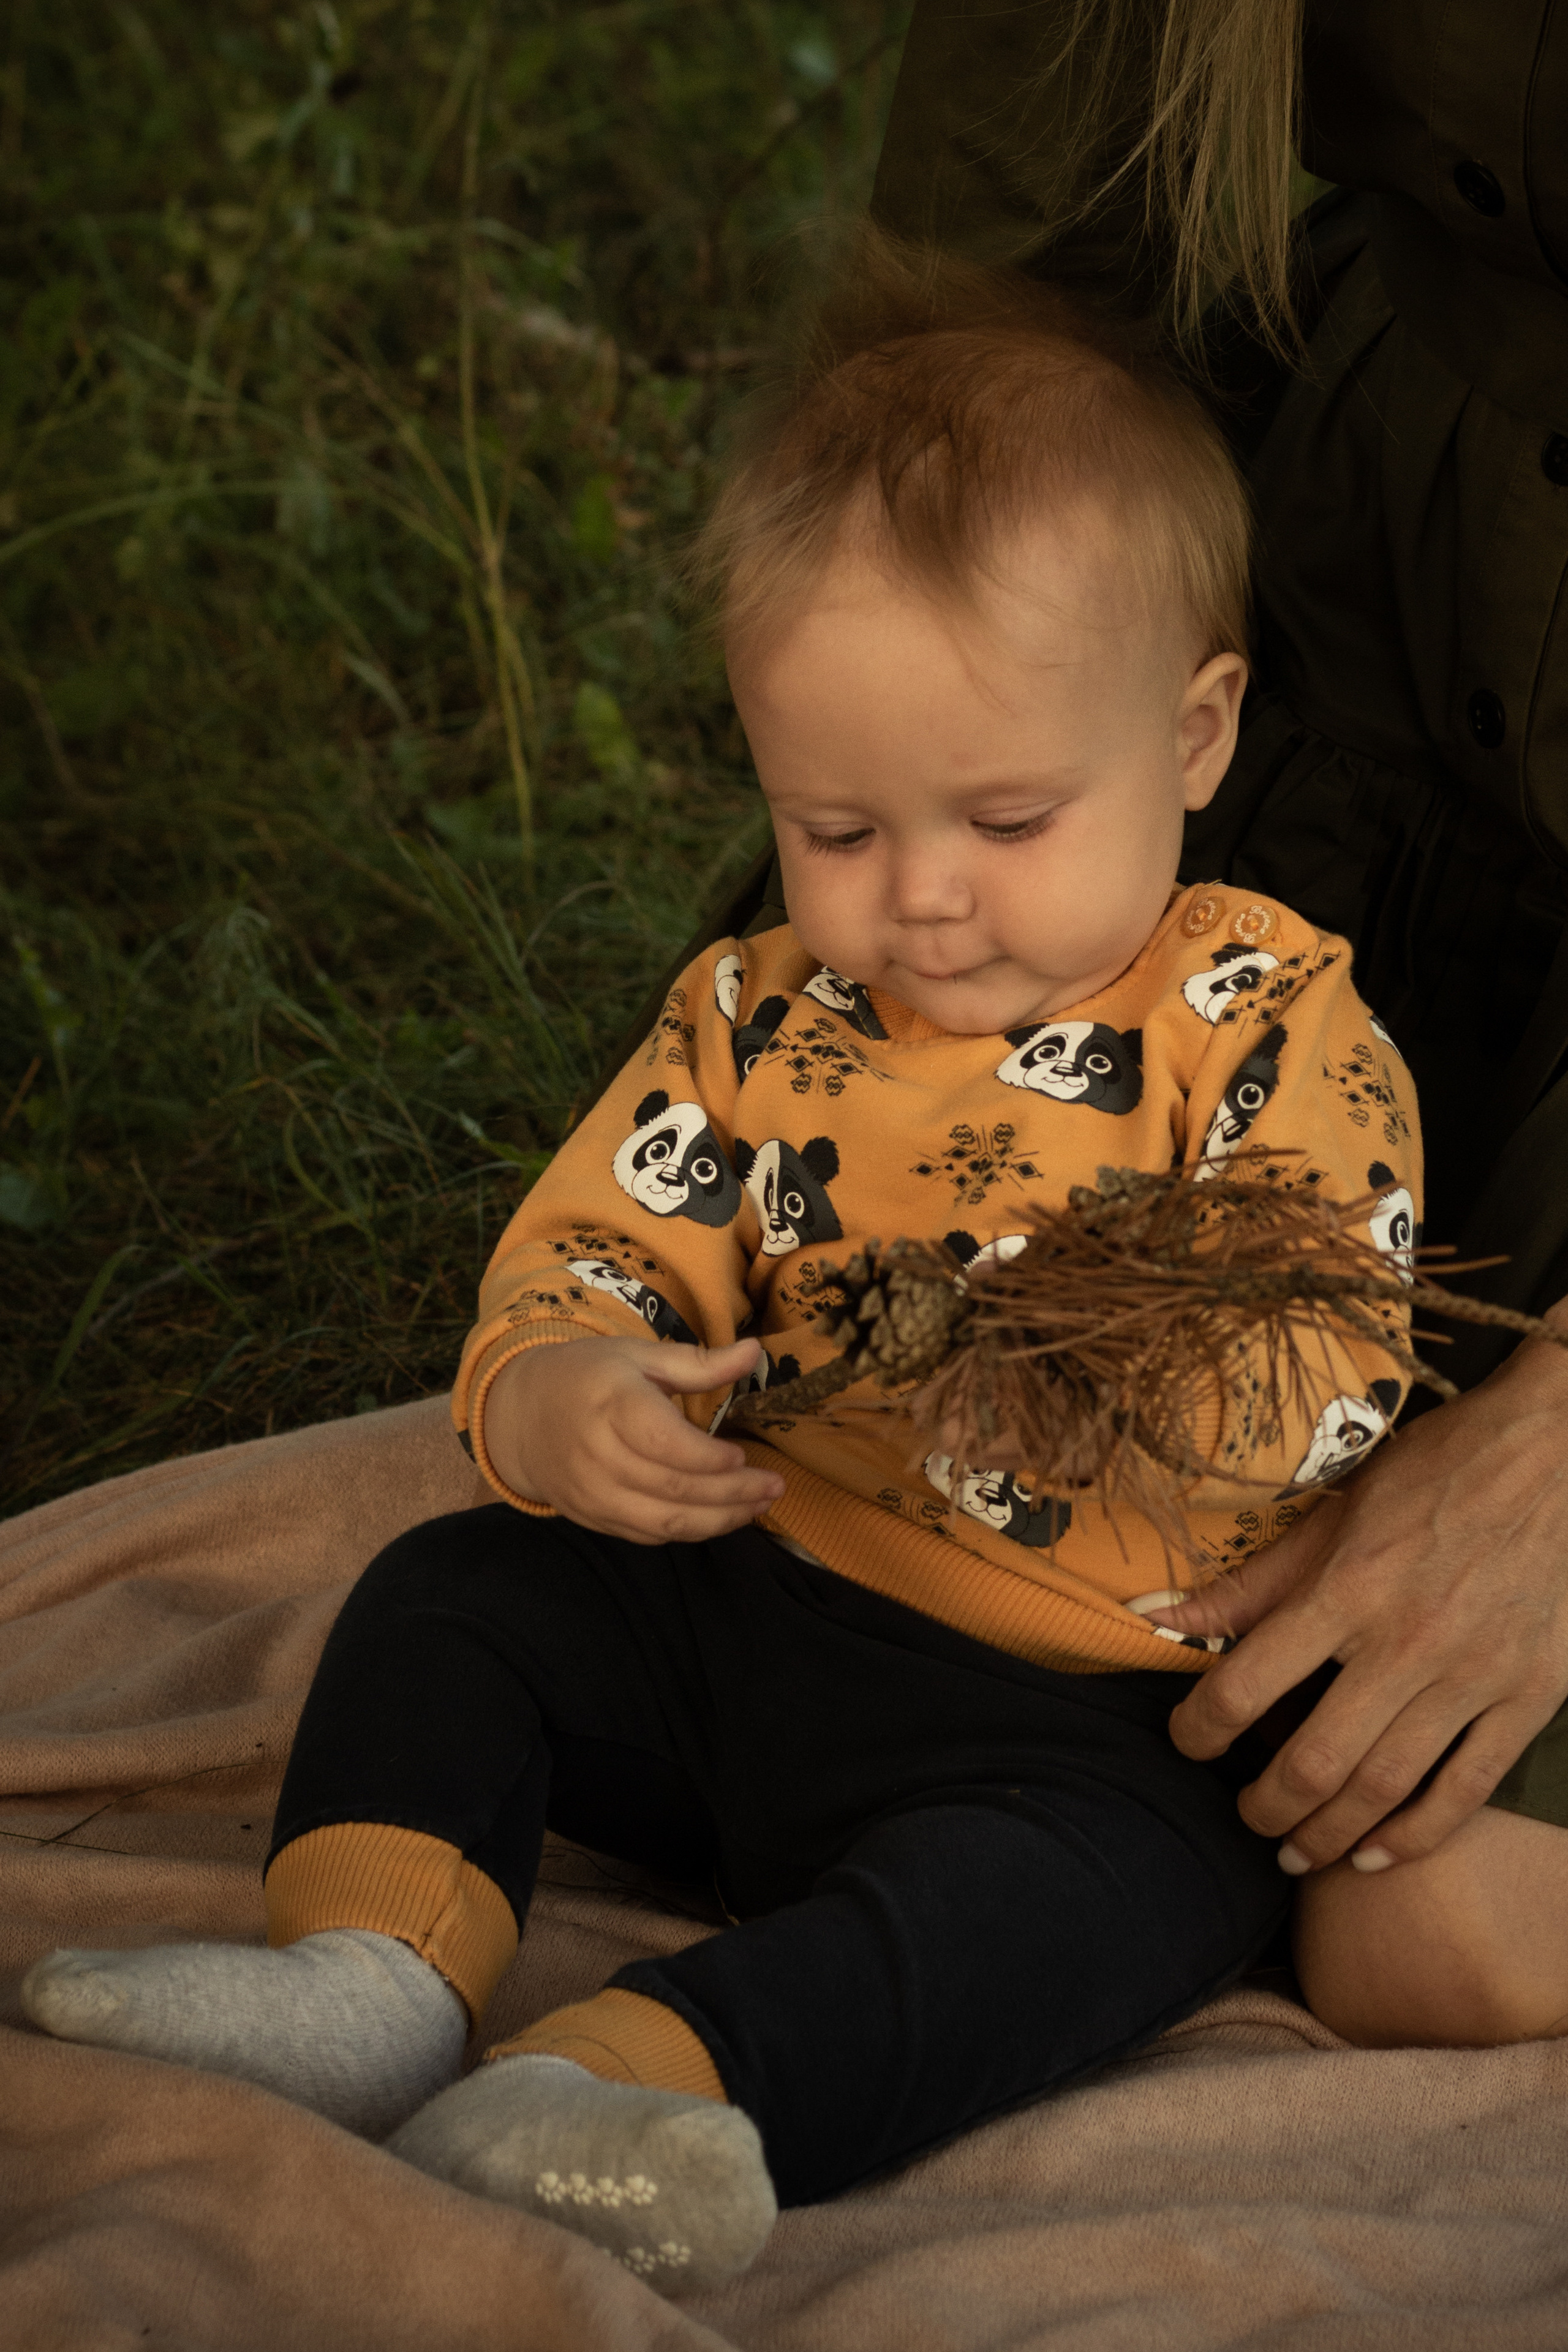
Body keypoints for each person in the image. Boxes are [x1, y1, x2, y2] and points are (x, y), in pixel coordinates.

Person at [18, 252, 1421, 2293]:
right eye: (831, 823)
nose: (921, 898)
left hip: (1081, 1709)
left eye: (1009, 817)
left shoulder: (1265, 1018)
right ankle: (373, 1973)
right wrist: (567, 1392)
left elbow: (1335, 1346)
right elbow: (601, 1239)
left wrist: (1085, 1366)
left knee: (1082, 1909)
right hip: (755, 1595)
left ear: (1197, 733)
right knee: (459, 1596)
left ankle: (638, 2079)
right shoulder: (765, 1017)